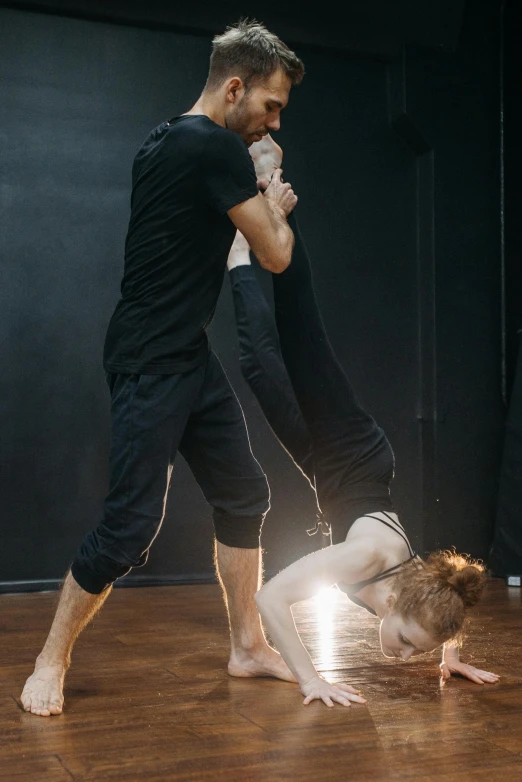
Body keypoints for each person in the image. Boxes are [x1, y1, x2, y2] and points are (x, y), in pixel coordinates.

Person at [20, 21, 305, 717]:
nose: (272, 122)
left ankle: (246, 645)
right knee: (129, 528)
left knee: (244, 493)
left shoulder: (166, 138)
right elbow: (276, 255)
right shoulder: (215, 148)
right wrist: (271, 192)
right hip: (151, 359)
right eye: (269, 106)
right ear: (233, 87)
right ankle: (48, 660)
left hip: (184, 353)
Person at [226, 136, 500, 708]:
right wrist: (312, 679)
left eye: (414, 651)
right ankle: (257, 221)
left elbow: (444, 607)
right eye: (405, 642)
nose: (398, 656)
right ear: (399, 606)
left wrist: (451, 653)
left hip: (334, 473)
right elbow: (271, 599)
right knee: (296, 339)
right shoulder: (368, 564)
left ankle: (265, 226)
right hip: (350, 450)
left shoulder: (416, 594)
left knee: (265, 365)